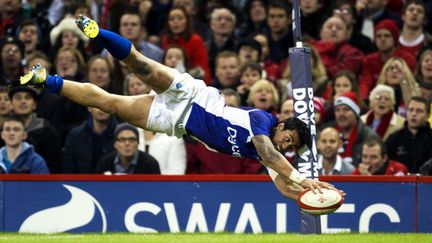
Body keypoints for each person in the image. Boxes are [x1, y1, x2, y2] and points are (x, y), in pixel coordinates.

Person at [19, 15, 335, 200]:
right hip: (192, 97)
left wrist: (313, 197)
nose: (285, 146)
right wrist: (304, 178)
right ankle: (97, 32)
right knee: (139, 65)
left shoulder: (266, 154)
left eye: (289, 147)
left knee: (110, 104)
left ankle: (46, 79)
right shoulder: (262, 123)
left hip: (175, 122)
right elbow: (271, 154)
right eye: (288, 141)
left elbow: (282, 186)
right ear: (281, 127)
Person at [385, 96, 432, 173]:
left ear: (427, 116)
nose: (413, 114)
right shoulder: (394, 139)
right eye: (410, 110)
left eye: (419, 111)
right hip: (399, 183)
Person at [96, 123, 160, 174]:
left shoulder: (150, 164)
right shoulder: (106, 162)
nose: (127, 143)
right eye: (122, 139)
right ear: (115, 144)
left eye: (131, 139)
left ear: (138, 143)